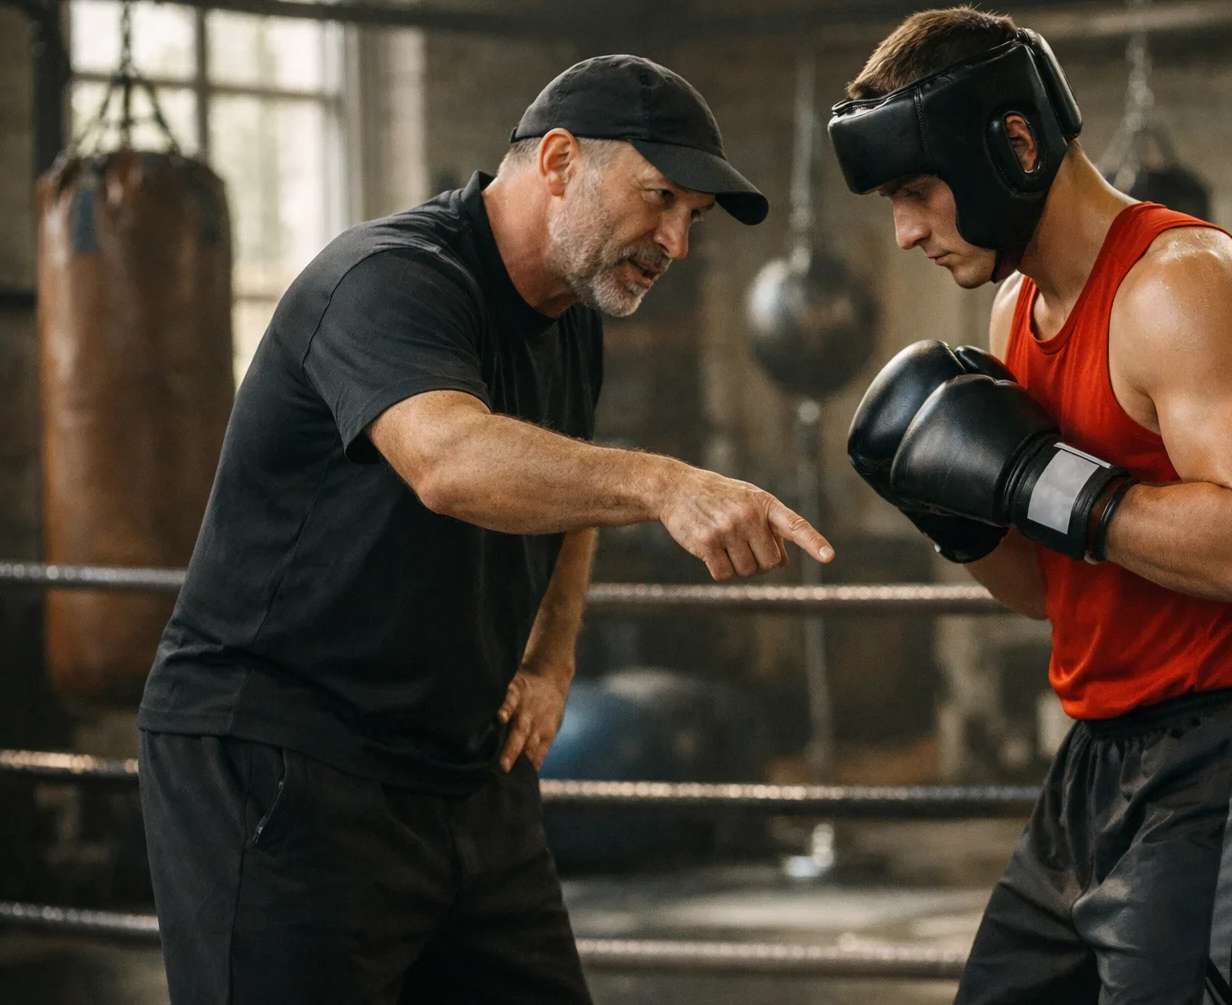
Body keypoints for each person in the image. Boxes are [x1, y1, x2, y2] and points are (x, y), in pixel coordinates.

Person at [136, 54, 833, 1004]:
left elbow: (569, 486)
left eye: (691, 219)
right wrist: (665, 483)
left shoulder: (571, 314)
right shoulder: (389, 280)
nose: (674, 239)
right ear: (556, 161)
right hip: (287, 759)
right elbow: (449, 461)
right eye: (660, 197)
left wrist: (551, 661)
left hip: (464, 769)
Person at [836, 8, 1232, 1005]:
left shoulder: (1179, 289)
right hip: (1098, 758)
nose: (906, 231)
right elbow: (1048, 591)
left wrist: (1044, 481)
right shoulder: (1013, 312)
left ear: (1012, 143)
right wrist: (960, 511)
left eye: (916, 192)